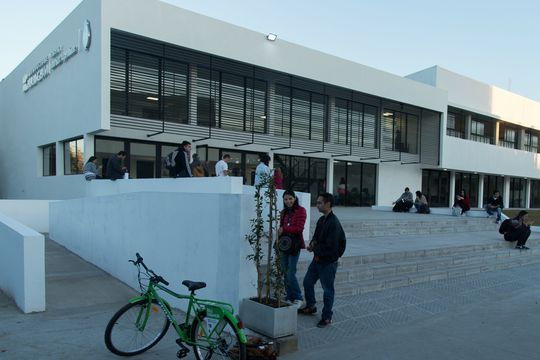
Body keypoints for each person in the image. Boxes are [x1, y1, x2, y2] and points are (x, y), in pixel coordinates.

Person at [298, 192, 346, 328]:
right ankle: (311, 306)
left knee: (328, 290)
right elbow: (317, 237)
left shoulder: (334, 223)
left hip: (328, 262)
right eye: (317, 202)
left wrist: (315, 248)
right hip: (317, 260)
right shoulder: (321, 220)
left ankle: (326, 317)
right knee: (307, 282)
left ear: (328, 204)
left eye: (319, 202)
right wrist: (313, 243)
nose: (317, 205)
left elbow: (332, 246)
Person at [278, 190, 307, 309]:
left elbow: (299, 228)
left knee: (291, 272)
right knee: (285, 271)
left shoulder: (301, 210)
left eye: (290, 198)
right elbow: (281, 228)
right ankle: (289, 296)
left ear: (295, 198)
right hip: (284, 244)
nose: (288, 201)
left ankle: (299, 298)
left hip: (294, 245)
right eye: (286, 199)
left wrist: (284, 228)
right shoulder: (283, 212)